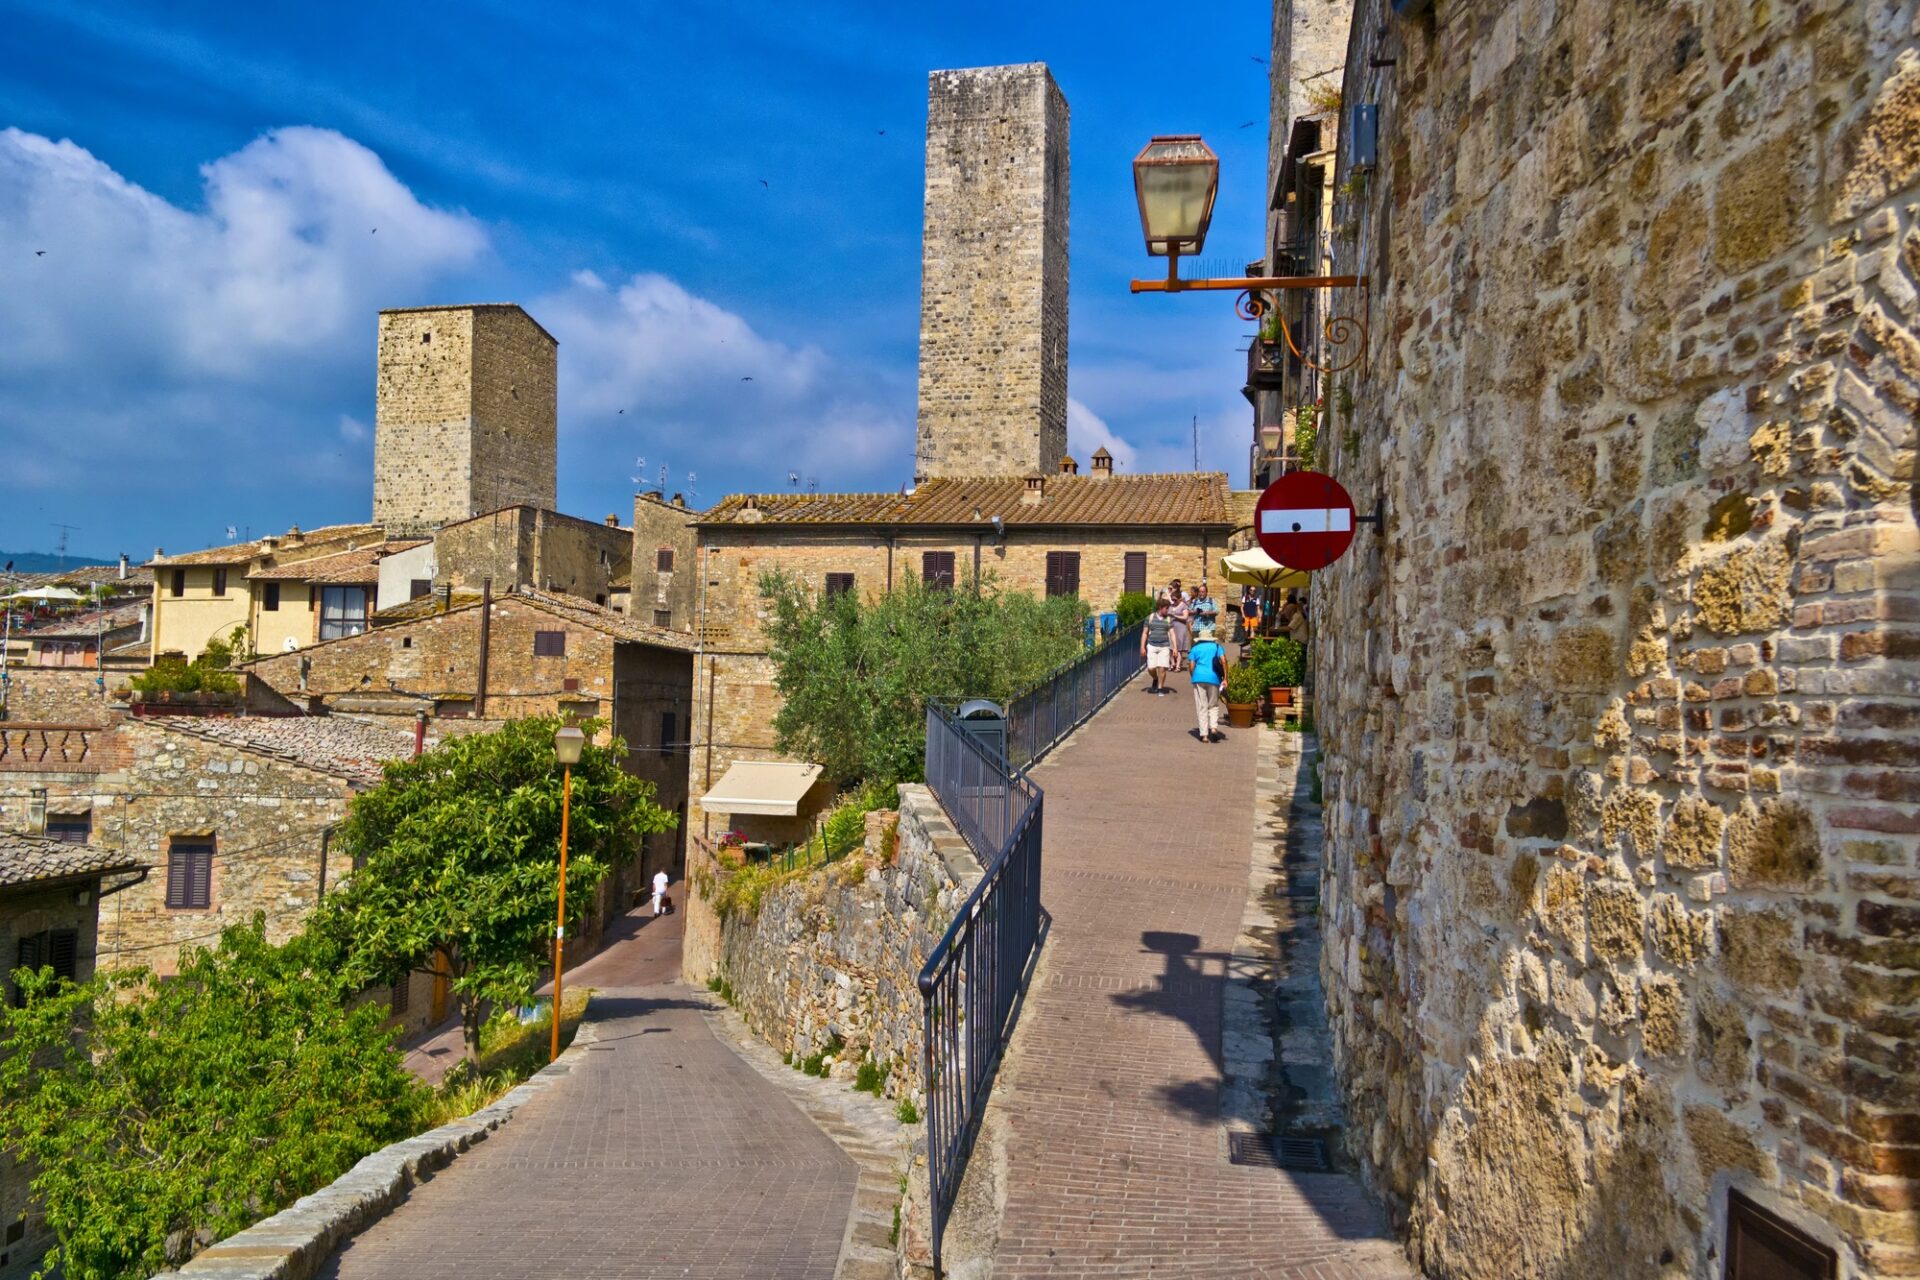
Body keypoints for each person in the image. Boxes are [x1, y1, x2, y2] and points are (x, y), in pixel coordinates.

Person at [1189, 622, 1227, 743]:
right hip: (1214, 678)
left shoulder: (1195, 648)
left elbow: (1191, 666)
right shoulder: (1216, 647)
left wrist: (1193, 676)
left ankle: (1204, 735)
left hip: (1198, 678)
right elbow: (1224, 661)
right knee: (1213, 705)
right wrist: (1225, 677)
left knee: (1202, 706)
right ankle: (1214, 727)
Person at [1142, 597, 1174, 695]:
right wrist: (1142, 647)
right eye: (1166, 608)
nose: (1167, 610)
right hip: (1152, 645)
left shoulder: (1168, 619)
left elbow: (1172, 633)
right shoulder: (1150, 618)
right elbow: (1145, 633)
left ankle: (1160, 688)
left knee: (1162, 667)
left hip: (1164, 646)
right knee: (1151, 668)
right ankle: (1155, 679)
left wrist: (1175, 648)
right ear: (1160, 607)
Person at [1168, 582, 1191, 673]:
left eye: (1175, 600)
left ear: (1179, 599)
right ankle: (1172, 663)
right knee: (1170, 646)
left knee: (1179, 648)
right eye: (1172, 600)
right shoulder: (1171, 605)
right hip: (1171, 627)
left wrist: (1175, 615)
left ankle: (1178, 665)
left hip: (1181, 627)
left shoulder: (1183, 606)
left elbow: (1185, 617)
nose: (1174, 602)